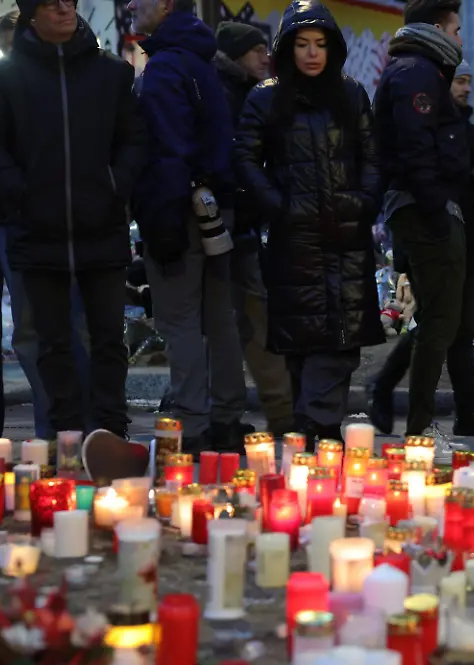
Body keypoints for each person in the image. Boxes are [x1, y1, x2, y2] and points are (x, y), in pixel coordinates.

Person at [0, 0, 145, 475]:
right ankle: (64, 441)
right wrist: (22, 193)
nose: (64, 9)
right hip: (37, 229)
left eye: (70, 2)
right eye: (51, 3)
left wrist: (115, 186)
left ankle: (111, 436)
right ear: (30, 14)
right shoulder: (4, 79)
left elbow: (134, 138)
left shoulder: (110, 74)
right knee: (49, 340)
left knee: (108, 340)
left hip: (102, 227)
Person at [235, 0, 383, 444]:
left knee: (339, 339)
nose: (312, 53)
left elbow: (374, 156)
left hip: (346, 235)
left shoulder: (352, 93)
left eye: (320, 44)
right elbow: (244, 158)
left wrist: (363, 203)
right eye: (302, 44)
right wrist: (278, 206)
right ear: (287, 48)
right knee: (300, 340)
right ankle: (312, 428)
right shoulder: (266, 97)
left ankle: (315, 424)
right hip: (293, 240)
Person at [130, 0, 247, 452]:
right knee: (219, 317)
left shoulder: (165, 68)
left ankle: (194, 423)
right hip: (216, 211)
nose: (131, 6)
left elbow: (165, 150)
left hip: (178, 210)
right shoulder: (203, 62)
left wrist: (159, 220)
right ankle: (227, 418)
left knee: (180, 320)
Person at [369, 60, 474, 438]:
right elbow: (419, 176)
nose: (465, 88)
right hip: (434, 235)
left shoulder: (468, 133)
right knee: (439, 323)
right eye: (459, 80)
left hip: (464, 238)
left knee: (455, 324)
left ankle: (464, 409)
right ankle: (404, 404)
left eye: (469, 81)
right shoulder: (430, 130)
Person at [374, 0, 468, 437]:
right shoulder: (417, 73)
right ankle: (420, 429)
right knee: (439, 320)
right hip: (424, 208)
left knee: (436, 316)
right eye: (456, 28)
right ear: (436, 28)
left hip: (423, 206)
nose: (460, 38)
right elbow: (416, 150)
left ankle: (412, 417)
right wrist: (435, 211)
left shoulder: (420, 68)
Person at [214, 20, 295, 436]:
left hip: (245, 227)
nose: (266, 56)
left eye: (267, 47)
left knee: (253, 319)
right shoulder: (226, 96)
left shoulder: (256, 95)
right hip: (222, 226)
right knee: (239, 321)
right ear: (234, 54)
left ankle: (280, 414)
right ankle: (266, 414)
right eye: (256, 49)